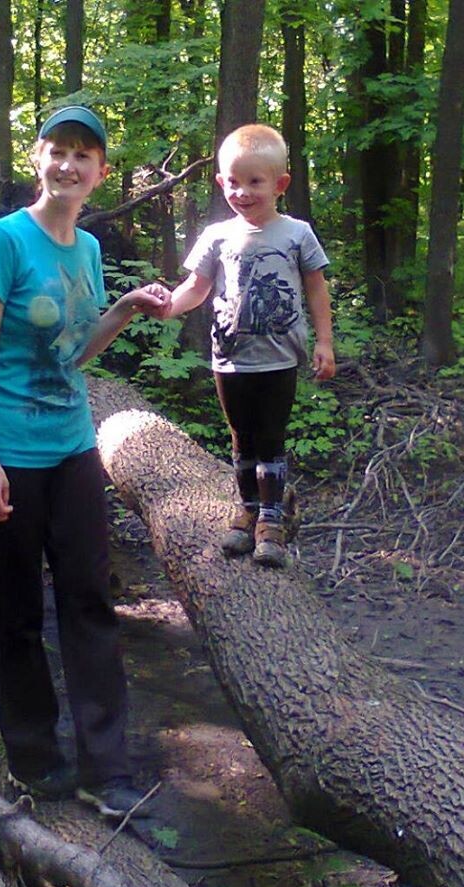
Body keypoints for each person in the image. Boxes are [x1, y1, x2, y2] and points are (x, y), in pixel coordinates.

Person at [0, 105, 169, 818]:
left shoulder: (83, 249)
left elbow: (73, 352)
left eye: (84, 156)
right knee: (16, 612)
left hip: (74, 446)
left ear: (100, 173)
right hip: (9, 453)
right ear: (38, 159)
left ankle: (104, 769)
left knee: (88, 600)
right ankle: (33, 758)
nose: (70, 165)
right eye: (59, 151)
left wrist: (127, 309)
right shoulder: (3, 241)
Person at [157, 123, 335, 568]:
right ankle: (249, 509)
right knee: (241, 439)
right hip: (229, 360)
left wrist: (325, 343)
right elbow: (196, 288)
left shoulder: (297, 234)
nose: (243, 192)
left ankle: (272, 521)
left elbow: (316, 289)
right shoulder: (217, 236)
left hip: (279, 359)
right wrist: (165, 307)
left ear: (280, 184)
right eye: (233, 182)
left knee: (271, 437)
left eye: (255, 182)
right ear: (221, 182)